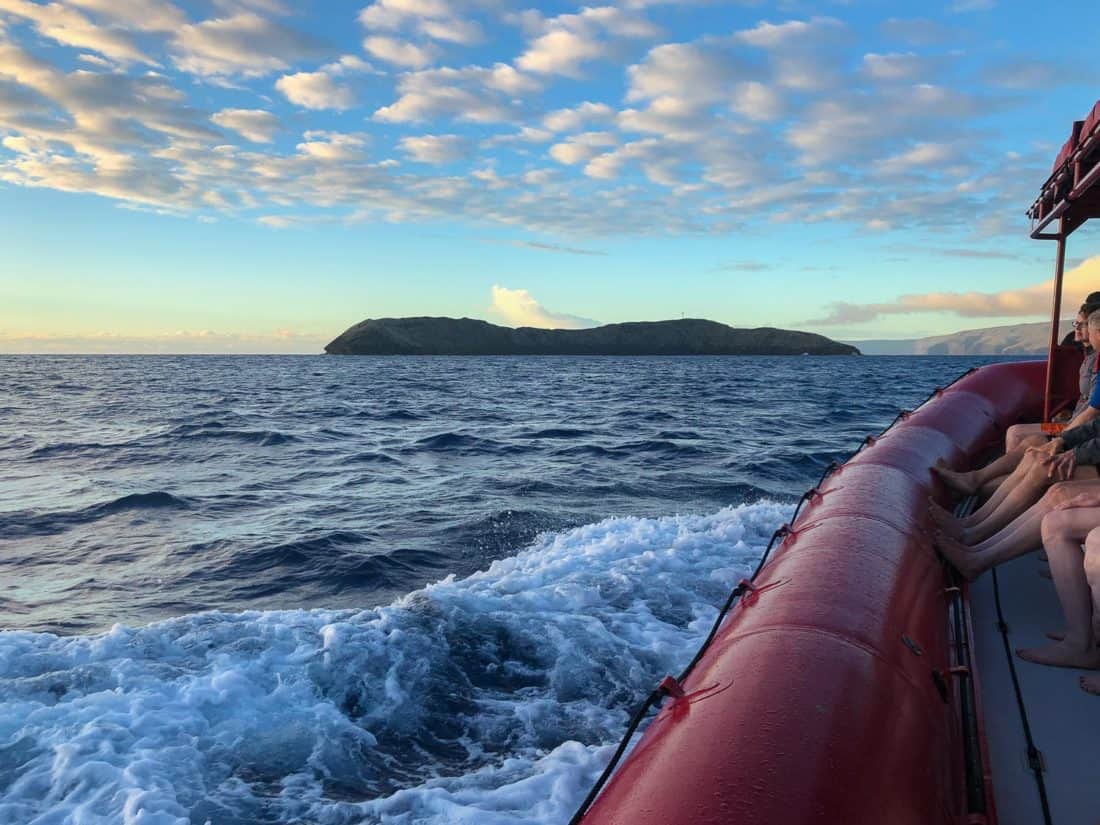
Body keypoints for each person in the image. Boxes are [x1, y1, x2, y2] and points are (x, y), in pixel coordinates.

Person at [934, 303, 1100, 495]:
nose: (1076, 329)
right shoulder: (1088, 356)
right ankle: (980, 483)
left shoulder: (1096, 360)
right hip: (1073, 425)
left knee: (1022, 437)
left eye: (1081, 325)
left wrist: (1064, 437)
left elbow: (1091, 412)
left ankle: (980, 487)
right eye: (1075, 324)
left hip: (1075, 429)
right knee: (1018, 433)